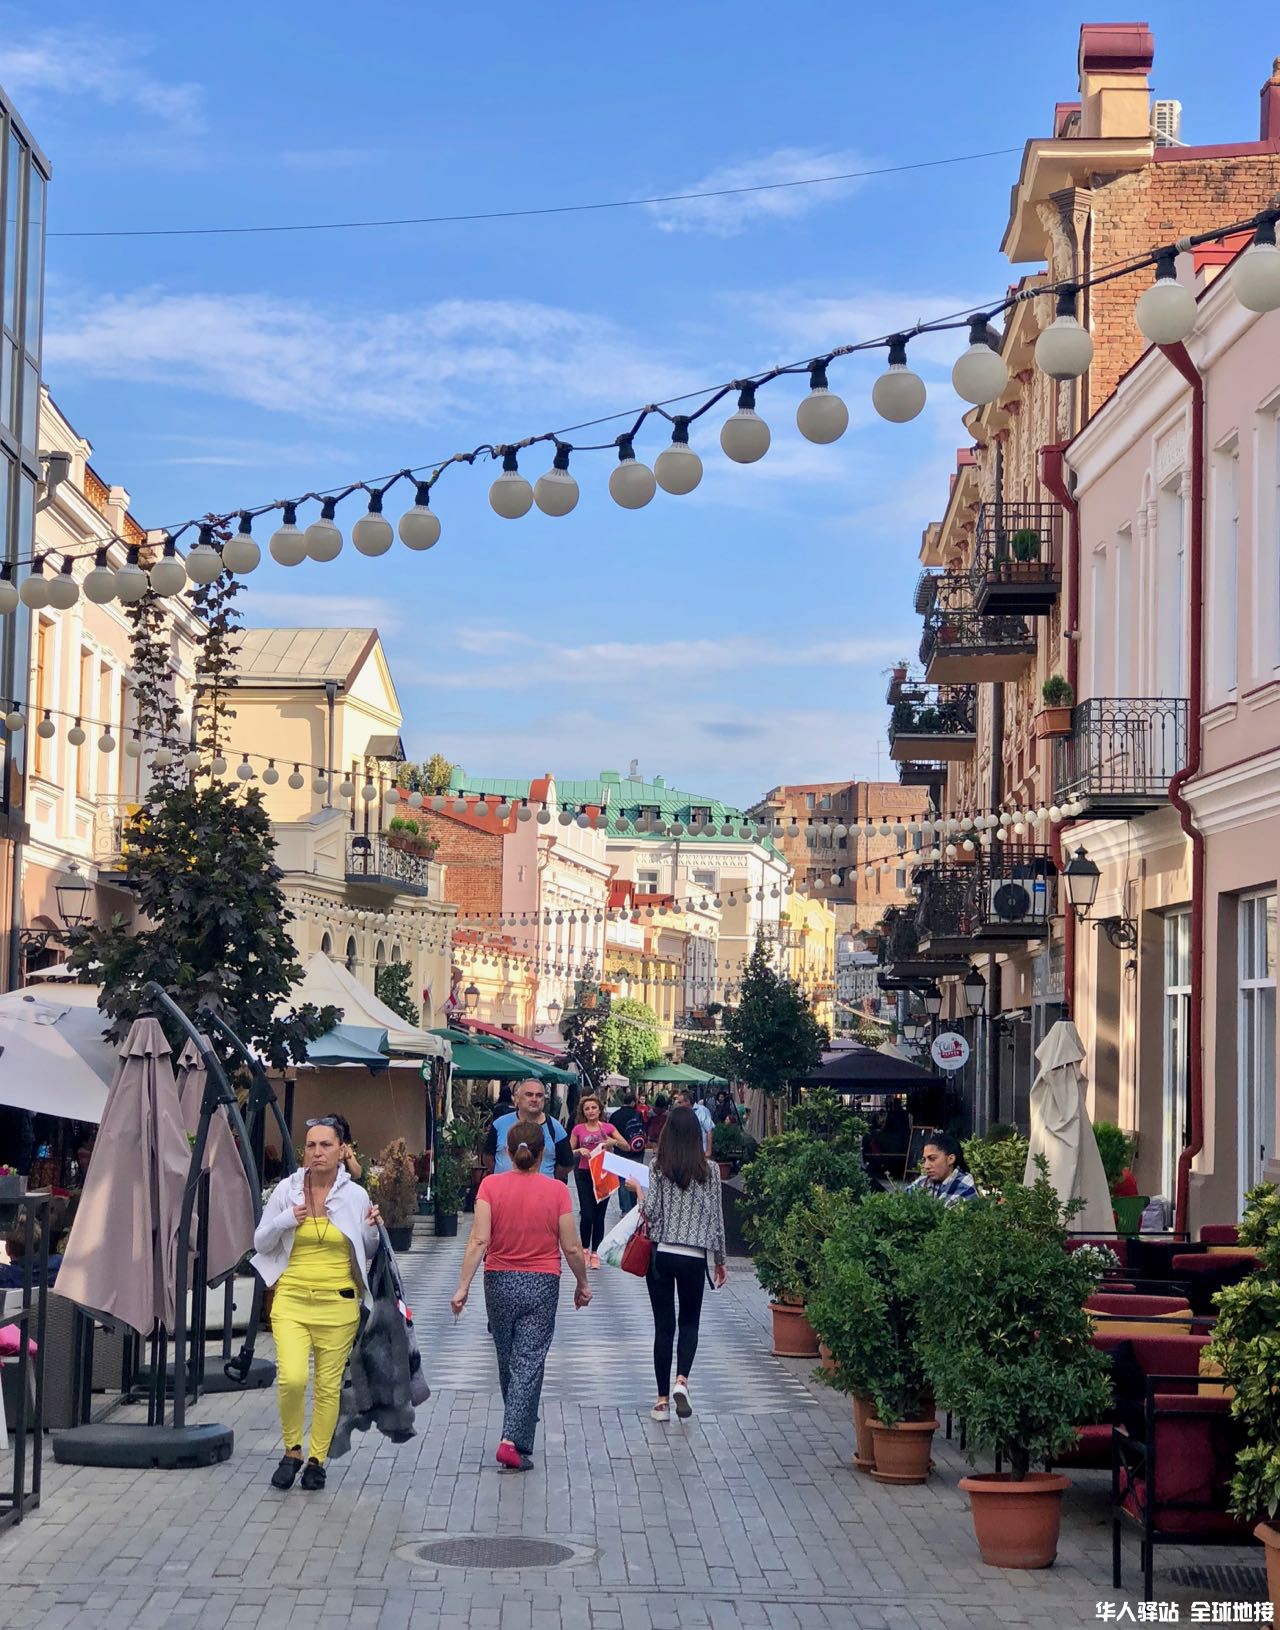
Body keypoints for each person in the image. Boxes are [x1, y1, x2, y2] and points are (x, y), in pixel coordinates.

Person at [251, 1114, 382, 1492]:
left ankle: (316, 1460)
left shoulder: (355, 1196)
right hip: (291, 1299)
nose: (318, 1152)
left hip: (338, 1303)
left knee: (327, 1386)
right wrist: (285, 1220)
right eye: (311, 1145)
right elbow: (261, 1242)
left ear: (342, 1151)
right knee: (292, 1378)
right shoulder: (287, 1191)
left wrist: (373, 1228)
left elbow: (368, 1249)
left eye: (326, 1145)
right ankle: (292, 1450)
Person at [451, 1120, 591, 1470]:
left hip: (498, 1281)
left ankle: (518, 1430)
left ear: (507, 1152)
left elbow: (478, 1240)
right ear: (543, 1153)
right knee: (529, 1360)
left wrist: (463, 1286)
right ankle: (511, 1439)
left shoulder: (489, 1186)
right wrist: (582, 1283)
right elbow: (572, 1246)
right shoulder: (557, 1191)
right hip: (542, 1282)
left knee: (508, 1358)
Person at [628, 1106, 727, 1423]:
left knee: (663, 1327)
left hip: (662, 1253)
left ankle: (661, 1402)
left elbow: (651, 1213)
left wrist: (638, 1191)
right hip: (693, 1257)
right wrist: (720, 1261)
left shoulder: (658, 1166)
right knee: (689, 1322)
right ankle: (681, 1380)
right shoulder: (710, 1170)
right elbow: (717, 1219)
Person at [569, 1094, 629, 1267]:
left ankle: (596, 1252)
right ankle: (584, 1249)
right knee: (587, 1214)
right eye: (587, 1109)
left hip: (604, 1175)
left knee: (599, 1215)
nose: (591, 1111)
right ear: (583, 1112)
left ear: (600, 1110)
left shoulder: (608, 1127)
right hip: (584, 1173)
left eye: (594, 1108)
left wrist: (613, 1142)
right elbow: (568, 1150)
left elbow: (626, 1146)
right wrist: (580, 1150)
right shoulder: (578, 1129)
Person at [483, 1081, 572, 1179]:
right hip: (504, 1187)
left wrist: (547, 1178)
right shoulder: (499, 1124)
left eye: (539, 1095)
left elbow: (566, 1165)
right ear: (517, 1098)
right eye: (529, 1095)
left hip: (541, 1188)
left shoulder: (556, 1128)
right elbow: (488, 1157)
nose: (534, 1099)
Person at [908, 1132, 977, 1207]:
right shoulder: (922, 1181)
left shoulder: (964, 1184)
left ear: (951, 1159)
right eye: (925, 1160)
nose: (926, 1166)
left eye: (932, 1159)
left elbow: (948, 1213)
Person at [606, 1089, 647, 1215]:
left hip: (620, 1151)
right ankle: (634, 1207)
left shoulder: (615, 1115)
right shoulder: (637, 1114)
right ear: (633, 1102)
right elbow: (644, 1131)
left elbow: (610, 1134)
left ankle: (625, 1209)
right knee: (635, 1178)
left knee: (622, 1179)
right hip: (636, 1151)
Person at [674, 1088, 714, 1155]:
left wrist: (708, 1151)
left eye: (680, 1102)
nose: (678, 1105)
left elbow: (709, 1130)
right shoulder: (681, 1113)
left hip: (701, 1151)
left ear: (688, 1101)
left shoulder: (702, 1111)